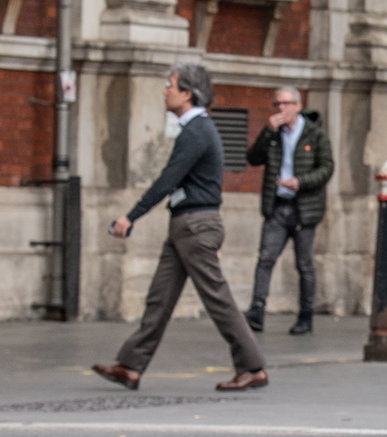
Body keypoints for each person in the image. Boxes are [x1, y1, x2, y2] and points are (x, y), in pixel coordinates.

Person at [92, 63, 269, 392]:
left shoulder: (197, 131)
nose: (165, 90)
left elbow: (168, 180)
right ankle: (130, 366)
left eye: (170, 85)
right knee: (159, 299)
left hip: (196, 225)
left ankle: (253, 367)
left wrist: (130, 216)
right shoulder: (196, 129)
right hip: (186, 226)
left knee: (218, 299)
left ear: (187, 93)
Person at [243, 86, 334, 335]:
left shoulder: (315, 135)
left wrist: (301, 182)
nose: (281, 109)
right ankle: (257, 310)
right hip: (277, 206)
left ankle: (306, 315)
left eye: (286, 104)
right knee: (265, 259)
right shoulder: (274, 134)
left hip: (304, 208)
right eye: (277, 104)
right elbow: (253, 158)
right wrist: (267, 132)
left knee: (304, 264)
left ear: (298, 105)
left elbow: (327, 168)